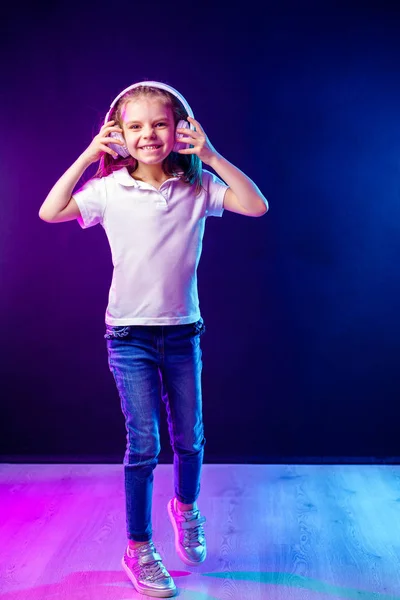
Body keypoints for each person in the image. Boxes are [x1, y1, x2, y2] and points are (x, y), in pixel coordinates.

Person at [39, 80, 268, 598]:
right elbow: (50, 212)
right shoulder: (108, 189)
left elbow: (256, 206)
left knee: (190, 439)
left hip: (184, 333)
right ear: (118, 133)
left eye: (160, 124)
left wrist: (209, 154)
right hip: (128, 336)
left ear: (180, 128)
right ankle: (139, 547)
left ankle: (185, 508)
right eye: (135, 126)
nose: (149, 135)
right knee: (144, 444)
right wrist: (87, 154)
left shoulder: (198, 186)